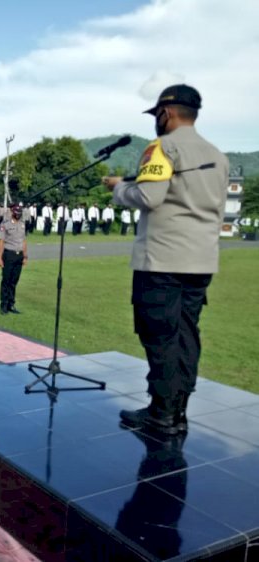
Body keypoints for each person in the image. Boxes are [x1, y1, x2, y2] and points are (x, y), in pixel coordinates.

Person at [103, 84, 229, 435]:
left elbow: (149, 195)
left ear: (167, 113)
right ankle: (178, 412)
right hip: (201, 261)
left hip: (161, 260)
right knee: (187, 335)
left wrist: (117, 187)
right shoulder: (218, 155)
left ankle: (161, 413)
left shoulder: (163, 147)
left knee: (159, 336)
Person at [0, 203, 28, 314]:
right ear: (12, 212)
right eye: (16, 212)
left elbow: (24, 241)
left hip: (19, 255)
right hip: (8, 254)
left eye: (20, 212)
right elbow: (1, 241)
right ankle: (4, 304)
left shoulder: (23, 224)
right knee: (6, 280)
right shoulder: (5, 224)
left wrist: (25, 256)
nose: (18, 214)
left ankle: (11, 304)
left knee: (14, 281)